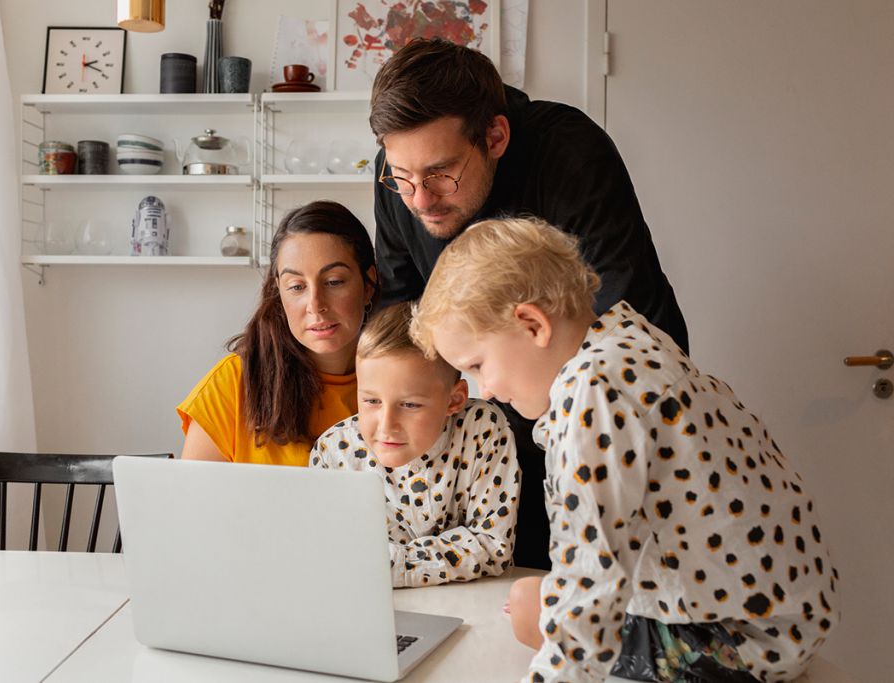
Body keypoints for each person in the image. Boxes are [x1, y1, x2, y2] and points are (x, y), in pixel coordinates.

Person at [409, 216, 839, 682]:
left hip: (742, 638)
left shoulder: (592, 392)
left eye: (478, 364)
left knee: (534, 611)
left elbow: (591, 577)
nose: (485, 390)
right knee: (534, 598)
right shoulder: (628, 339)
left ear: (532, 325)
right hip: (784, 613)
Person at [370, 38, 688, 569]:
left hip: (605, 422)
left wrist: (576, 441)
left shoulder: (568, 153)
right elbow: (401, 318)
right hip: (480, 446)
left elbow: (628, 320)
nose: (419, 199)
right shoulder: (401, 176)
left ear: (495, 137)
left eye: (441, 173)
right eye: (402, 176)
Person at [309, 301, 520, 588]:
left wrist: (388, 566)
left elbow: (492, 547)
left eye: (409, 404)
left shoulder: (481, 427)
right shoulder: (333, 453)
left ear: (454, 400)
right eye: (371, 401)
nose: (386, 425)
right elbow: (330, 558)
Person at [177, 200, 377, 465]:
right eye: (296, 286)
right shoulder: (232, 384)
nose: (315, 306)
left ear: (368, 285)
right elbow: (190, 501)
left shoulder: (403, 380)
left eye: (333, 282)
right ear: (278, 292)